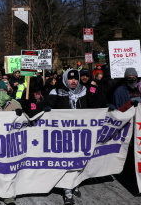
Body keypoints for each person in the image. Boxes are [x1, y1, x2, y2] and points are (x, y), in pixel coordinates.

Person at [47, 69, 88, 204]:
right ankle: (67, 190)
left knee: (78, 161)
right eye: (70, 79)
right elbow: (47, 105)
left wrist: (107, 109)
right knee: (66, 161)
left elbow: (95, 106)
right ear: (65, 79)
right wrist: (47, 108)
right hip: (63, 135)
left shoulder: (84, 92)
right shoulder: (57, 92)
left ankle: (74, 183)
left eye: (76, 79)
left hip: (80, 134)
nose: (73, 81)